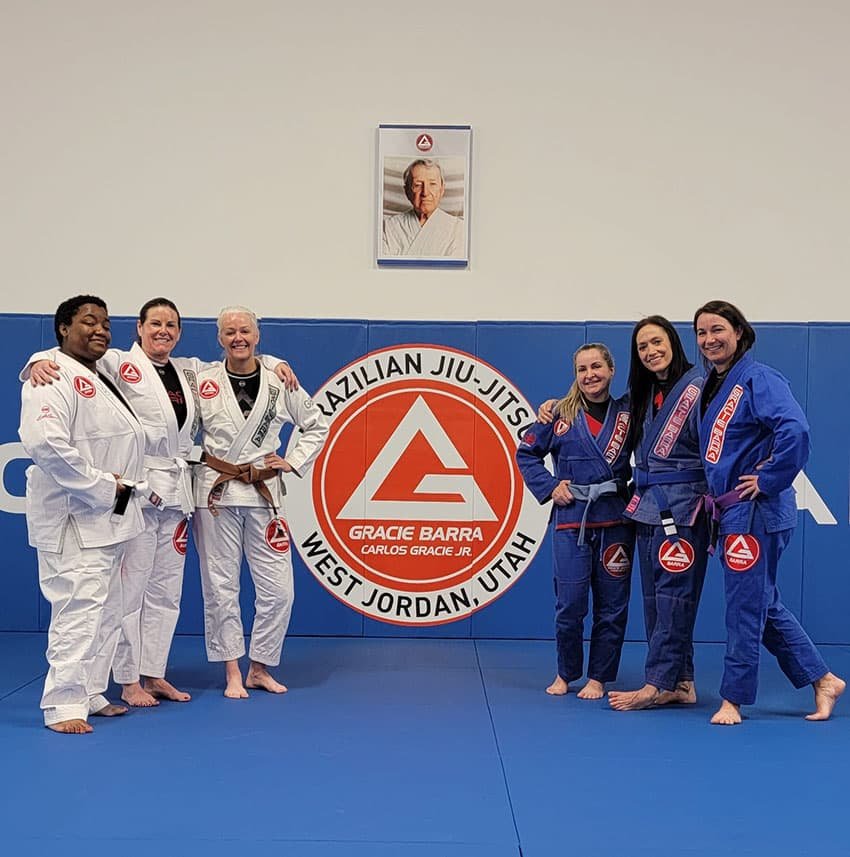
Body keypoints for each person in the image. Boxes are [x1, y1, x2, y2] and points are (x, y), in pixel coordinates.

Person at [24, 299, 298, 709]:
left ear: (180, 333)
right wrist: (35, 360)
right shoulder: (118, 362)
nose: (163, 331)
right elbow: (74, 358)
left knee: (166, 591)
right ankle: (128, 679)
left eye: (171, 325)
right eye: (155, 323)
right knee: (129, 591)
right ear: (139, 327)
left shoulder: (190, 371)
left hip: (178, 491)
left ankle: (154, 673)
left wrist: (275, 363)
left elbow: (238, 357)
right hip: (138, 490)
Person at [694, 300, 844, 724]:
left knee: (745, 606)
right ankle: (822, 678)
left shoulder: (759, 378)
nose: (709, 340)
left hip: (755, 510)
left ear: (739, 332)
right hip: (733, 512)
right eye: (702, 333)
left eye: (718, 329)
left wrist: (769, 478)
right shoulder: (713, 385)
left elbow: (794, 428)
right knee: (762, 601)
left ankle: (733, 699)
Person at [19, 295, 147, 733]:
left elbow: (152, 360)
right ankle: (62, 704)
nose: (100, 330)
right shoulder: (50, 376)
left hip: (109, 515)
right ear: (61, 329)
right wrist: (103, 487)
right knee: (78, 609)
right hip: (75, 514)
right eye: (88, 322)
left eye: (106, 323)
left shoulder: (102, 369)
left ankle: (91, 691)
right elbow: (46, 444)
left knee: (107, 610)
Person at [192, 306, 328, 698]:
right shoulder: (202, 380)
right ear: (219, 339)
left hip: (264, 493)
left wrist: (293, 461)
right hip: (216, 494)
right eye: (230, 331)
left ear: (257, 335)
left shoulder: (277, 378)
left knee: (279, 589)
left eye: (245, 330)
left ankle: (260, 666)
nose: (238, 337)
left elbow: (316, 423)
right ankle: (232, 670)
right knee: (220, 586)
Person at [516, 344, 634, 699]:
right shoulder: (559, 414)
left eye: (597, 366)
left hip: (615, 519)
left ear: (611, 370)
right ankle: (566, 672)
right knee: (569, 603)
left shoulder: (629, 413)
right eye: (582, 369)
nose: (590, 375)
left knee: (612, 605)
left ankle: (599, 677)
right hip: (572, 522)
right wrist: (551, 487)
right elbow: (527, 453)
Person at [607, 316, 710, 711]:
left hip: (684, 507)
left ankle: (657, 684)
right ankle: (681, 680)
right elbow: (598, 406)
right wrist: (555, 407)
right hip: (648, 505)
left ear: (673, 342)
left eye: (656, 342)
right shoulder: (644, 393)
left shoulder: (700, 388)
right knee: (655, 598)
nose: (650, 351)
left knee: (674, 598)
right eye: (642, 347)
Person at [382, 159, 465, 257]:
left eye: (432, 184)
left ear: (442, 190)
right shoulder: (389, 227)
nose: (425, 192)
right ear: (407, 191)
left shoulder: (458, 229)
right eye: (418, 185)